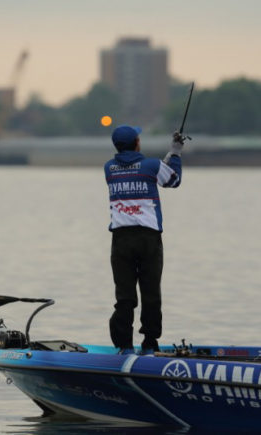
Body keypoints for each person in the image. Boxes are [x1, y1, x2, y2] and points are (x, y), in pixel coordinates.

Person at [104, 125, 183, 355]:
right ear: (137, 143)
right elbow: (172, 180)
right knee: (151, 293)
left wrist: (167, 158)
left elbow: (146, 169)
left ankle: (125, 346)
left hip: (121, 240)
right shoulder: (152, 165)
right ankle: (149, 344)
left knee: (124, 296)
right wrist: (175, 152)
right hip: (148, 239)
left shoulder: (109, 168)